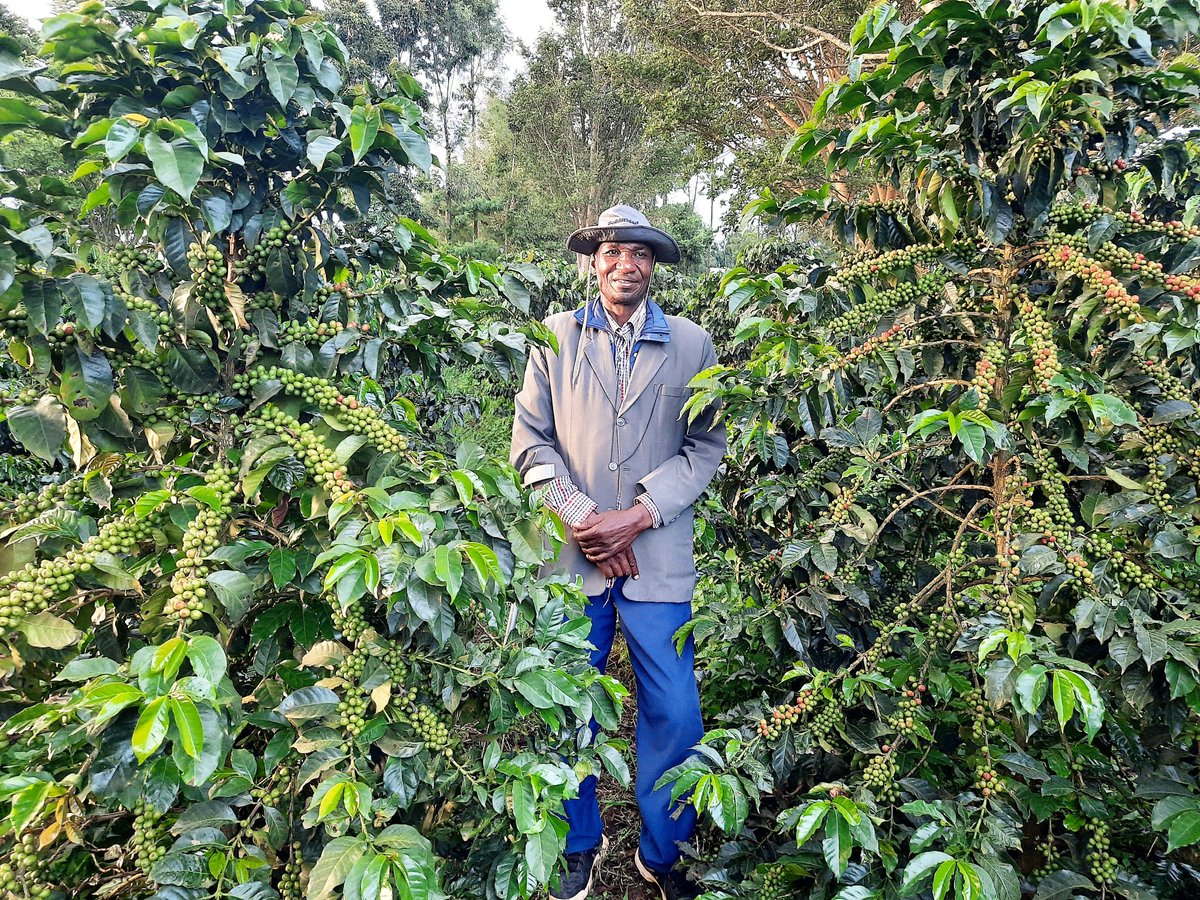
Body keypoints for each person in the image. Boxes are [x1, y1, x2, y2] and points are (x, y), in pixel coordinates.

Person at [510, 205, 726, 900]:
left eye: (639, 253)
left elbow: (705, 447)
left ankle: (661, 857)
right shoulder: (554, 337)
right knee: (570, 702)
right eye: (611, 252)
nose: (624, 264)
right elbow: (530, 443)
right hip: (573, 561)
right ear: (593, 262)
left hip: (656, 558)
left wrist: (636, 517)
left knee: (676, 712)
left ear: (653, 265)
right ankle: (579, 841)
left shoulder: (693, 345)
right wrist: (586, 522)